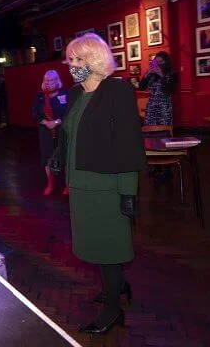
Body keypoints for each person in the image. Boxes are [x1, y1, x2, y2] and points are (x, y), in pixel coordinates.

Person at [49, 33, 146, 334]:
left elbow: (128, 143)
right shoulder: (77, 94)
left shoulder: (116, 91)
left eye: (78, 60)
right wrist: (57, 156)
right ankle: (118, 285)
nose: (72, 66)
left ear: (94, 61)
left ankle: (113, 310)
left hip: (106, 184)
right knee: (95, 243)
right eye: (70, 60)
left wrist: (128, 192)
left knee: (109, 247)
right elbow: (70, 133)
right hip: (79, 182)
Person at [31, 70, 68, 195]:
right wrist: (45, 122)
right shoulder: (39, 96)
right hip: (45, 131)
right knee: (47, 158)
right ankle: (50, 184)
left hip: (61, 130)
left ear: (57, 80)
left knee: (64, 157)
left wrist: (57, 122)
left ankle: (68, 185)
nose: (49, 83)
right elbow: (35, 113)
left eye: (52, 80)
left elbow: (69, 113)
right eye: (46, 80)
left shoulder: (65, 94)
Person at [138, 51, 177, 126]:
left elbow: (168, 91)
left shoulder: (172, 74)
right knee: (150, 129)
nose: (159, 64)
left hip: (164, 107)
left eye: (161, 61)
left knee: (164, 129)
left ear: (166, 62)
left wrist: (161, 75)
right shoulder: (152, 74)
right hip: (151, 107)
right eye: (157, 62)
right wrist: (146, 75)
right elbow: (141, 87)